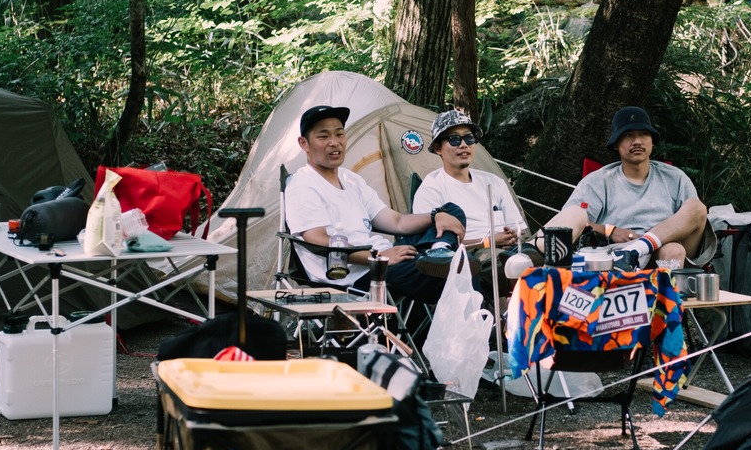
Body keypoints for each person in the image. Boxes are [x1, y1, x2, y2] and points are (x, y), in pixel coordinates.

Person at [283, 105, 469, 306]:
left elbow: (397, 222)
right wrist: (378, 257)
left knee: (449, 211)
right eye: (323, 137)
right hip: (353, 274)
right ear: (304, 143)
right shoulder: (302, 184)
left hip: (384, 259)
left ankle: (439, 252)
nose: (334, 142)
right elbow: (317, 239)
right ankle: (442, 267)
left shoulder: (350, 179)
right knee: (460, 272)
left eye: (339, 134)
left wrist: (435, 217)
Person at [538, 106, 716, 272]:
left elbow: (693, 221)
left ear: (652, 141)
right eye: (628, 135)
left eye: (643, 134)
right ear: (616, 143)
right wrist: (611, 230)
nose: (637, 141)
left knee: (695, 210)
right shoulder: (599, 181)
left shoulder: (675, 178)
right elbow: (575, 222)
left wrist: (644, 244)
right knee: (673, 250)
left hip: (666, 252)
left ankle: (638, 249)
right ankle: (631, 255)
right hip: (617, 258)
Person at [413, 109, 526, 297]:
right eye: (454, 139)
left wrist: (514, 235)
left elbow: (520, 229)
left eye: (469, 138)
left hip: (514, 251)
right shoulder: (432, 188)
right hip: (474, 258)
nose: (464, 145)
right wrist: (488, 242)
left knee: (566, 229)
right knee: (524, 267)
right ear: (438, 148)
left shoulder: (493, 182)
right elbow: (434, 251)